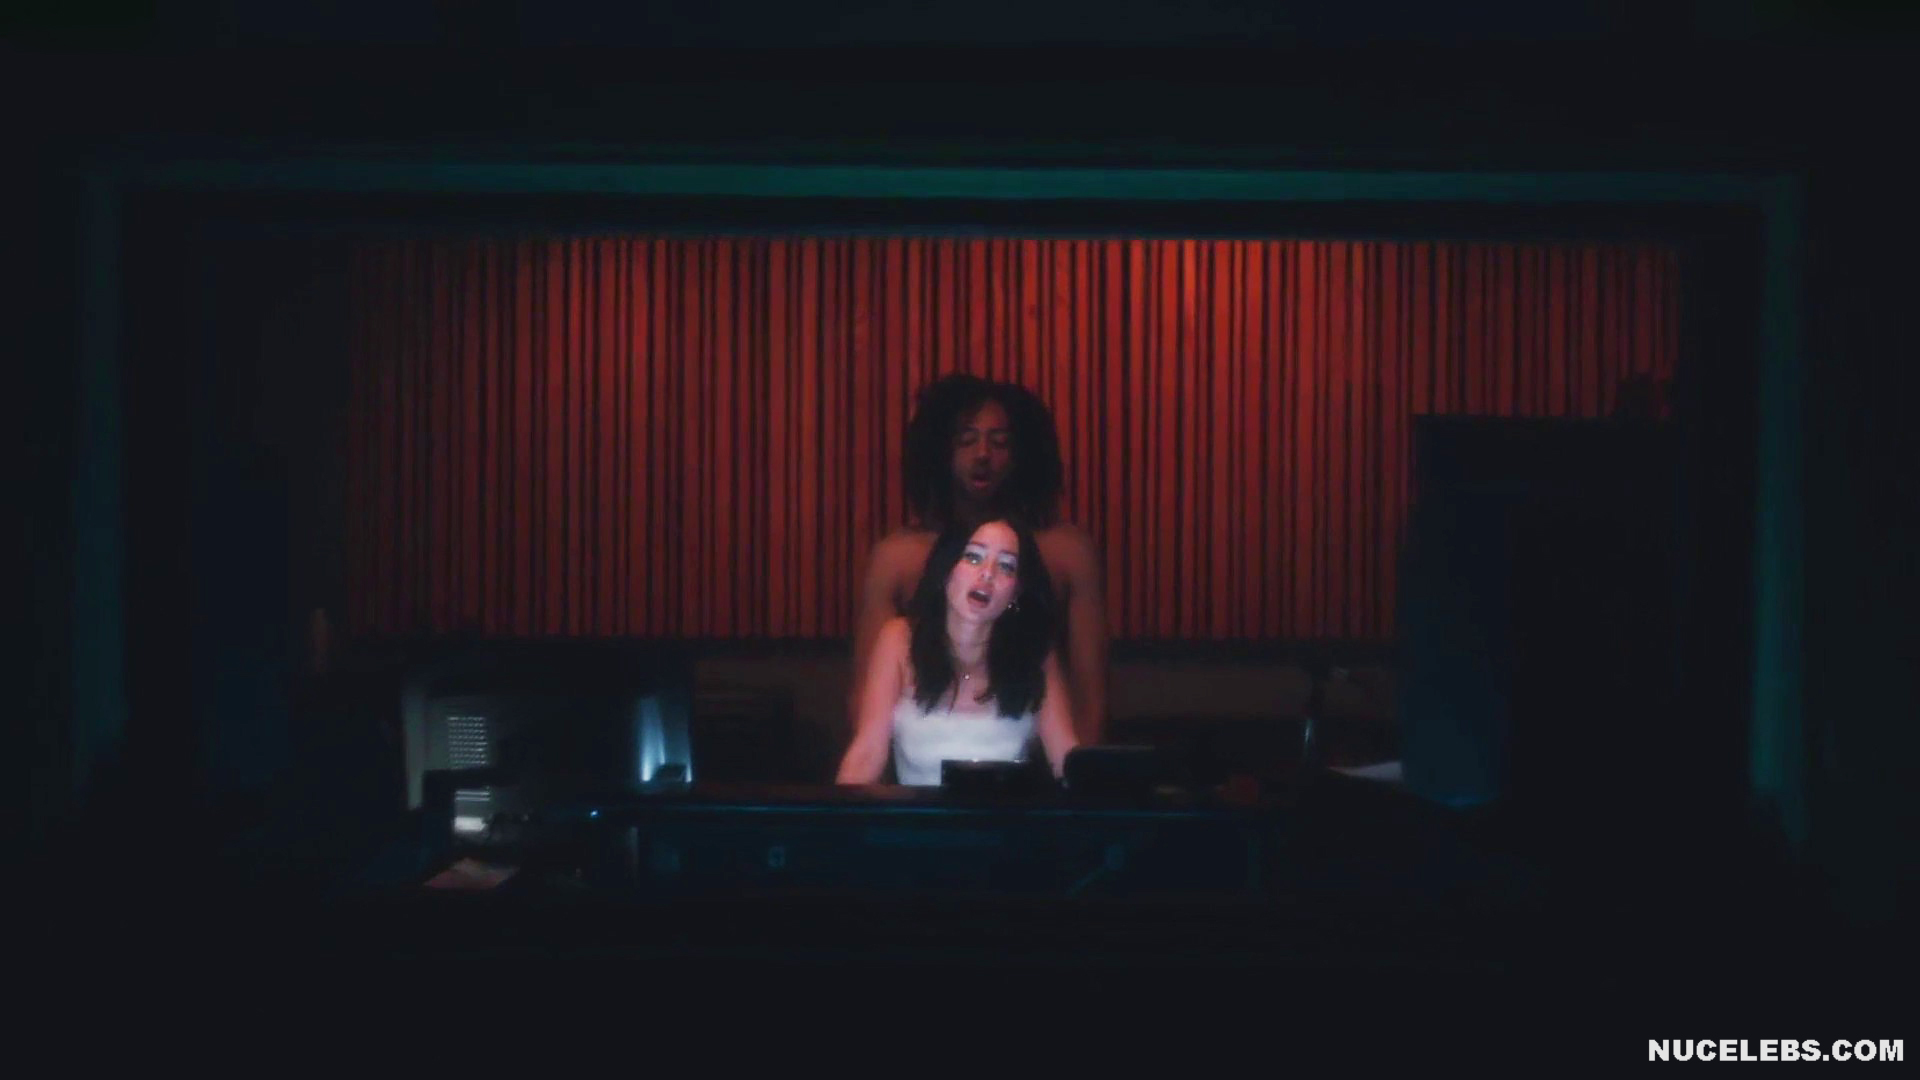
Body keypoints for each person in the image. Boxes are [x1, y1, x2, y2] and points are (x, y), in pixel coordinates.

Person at [849, 374, 1109, 746]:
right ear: (940, 449)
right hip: (923, 755)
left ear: (1023, 452)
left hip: (1038, 753)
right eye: (966, 440)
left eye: (999, 442)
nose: (983, 454)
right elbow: (865, 703)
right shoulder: (898, 558)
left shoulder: (1067, 553)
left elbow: (1090, 696)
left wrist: (1075, 774)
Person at [836, 517, 1078, 785]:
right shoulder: (899, 639)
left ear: (1016, 592)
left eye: (1006, 566)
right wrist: (834, 810)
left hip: (1004, 812)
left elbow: (1065, 759)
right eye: (973, 558)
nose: (987, 574)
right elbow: (867, 752)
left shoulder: (1035, 650)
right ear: (946, 569)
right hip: (917, 812)